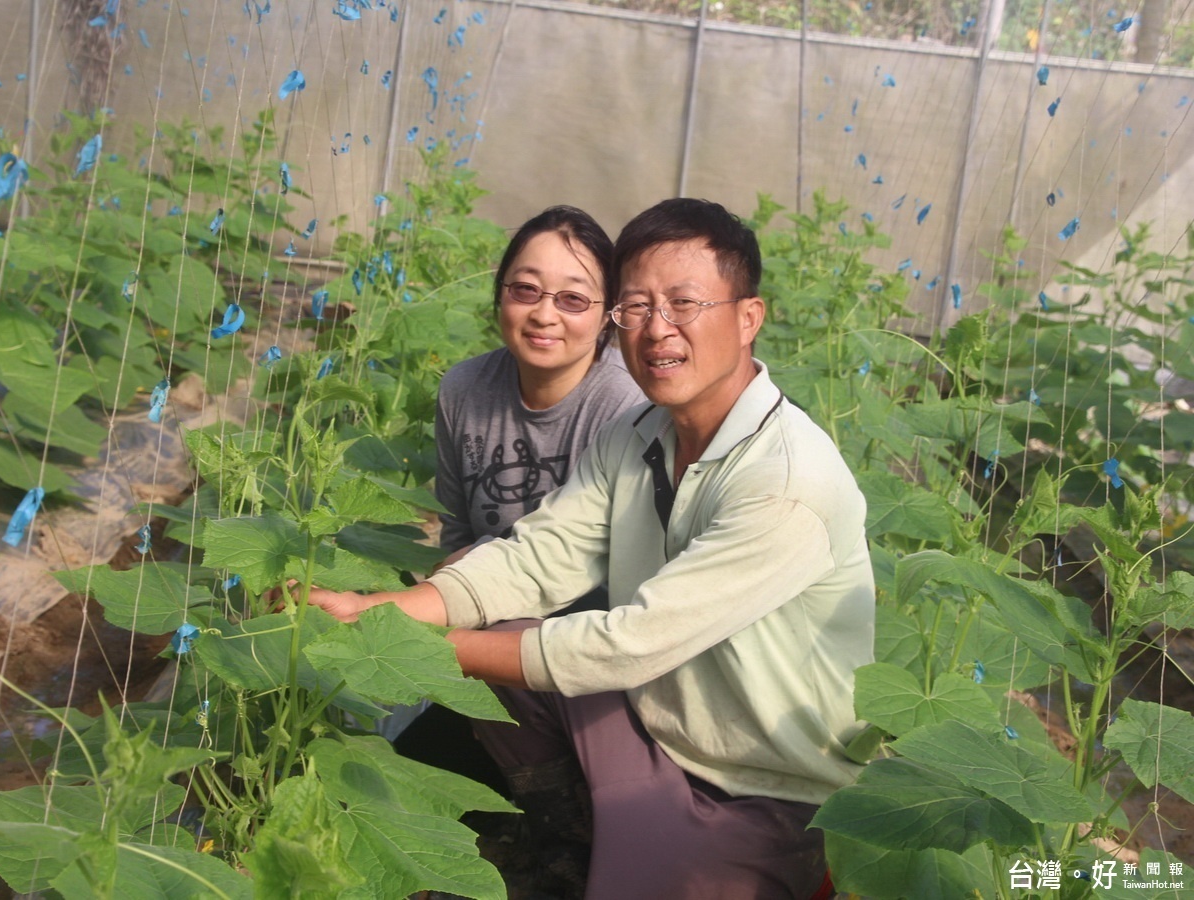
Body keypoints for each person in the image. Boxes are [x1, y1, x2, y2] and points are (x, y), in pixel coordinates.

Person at [309, 198, 875, 900]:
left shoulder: (786, 484)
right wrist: (383, 606)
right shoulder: (639, 431)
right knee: (501, 633)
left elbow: (628, 643)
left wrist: (415, 642)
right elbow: (537, 555)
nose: (656, 329)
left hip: (758, 781)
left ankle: (751, 861)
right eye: (635, 307)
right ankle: (568, 831)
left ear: (748, 317)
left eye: (683, 304)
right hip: (654, 717)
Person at [378, 205, 643, 748]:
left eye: (572, 299)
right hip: (481, 624)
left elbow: (621, 580)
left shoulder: (625, 407)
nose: (545, 314)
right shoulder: (465, 388)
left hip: (578, 654)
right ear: (500, 294)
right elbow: (456, 533)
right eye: (526, 290)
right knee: (408, 763)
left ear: (607, 314)